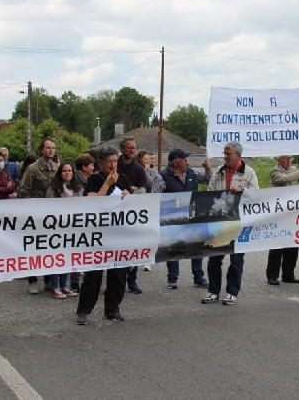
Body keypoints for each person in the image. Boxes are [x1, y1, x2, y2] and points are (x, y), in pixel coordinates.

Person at [76, 147, 133, 325]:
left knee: (118, 274)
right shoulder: (94, 179)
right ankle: (84, 310)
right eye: (109, 162)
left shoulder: (122, 178)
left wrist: (127, 194)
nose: (113, 165)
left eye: (115, 161)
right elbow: (93, 202)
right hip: (98, 235)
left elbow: (131, 201)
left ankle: (112, 308)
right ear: (101, 163)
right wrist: (107, 184)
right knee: (93, 276)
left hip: (118, 234)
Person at [201, 141, 259, 305]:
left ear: (238, 155)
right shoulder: (218, 172)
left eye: (228, 154)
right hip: (220, 221)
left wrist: (243, 191)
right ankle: (213, 291)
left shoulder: (249, 173)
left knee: (236, 259)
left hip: (239, 221)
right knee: (214, 258)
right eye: (224, 154)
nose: (225, 157)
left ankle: (232, 292)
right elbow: (210, 193)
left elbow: (257, 195)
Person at [152, 149, 212, 289]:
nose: (187, 161)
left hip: (193, 214)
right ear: (175, 162)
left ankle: (198, 276)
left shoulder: (192, 172)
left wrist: (208, 168)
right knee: (174, 247)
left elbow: (208, 179)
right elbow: (154, 197)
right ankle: (172, 278)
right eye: (184, 159)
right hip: (173, 218)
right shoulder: (162, 177)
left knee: (197, 245)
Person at [266, 154, 299, 285]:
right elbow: (286, 179)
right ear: (279, 160)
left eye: (290, 158)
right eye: (286, 158)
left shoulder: (294, 169)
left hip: (293, 211)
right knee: (277, 244)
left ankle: (288, 274)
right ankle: (272, 275)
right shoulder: (274, 171)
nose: (289, 161)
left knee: (293, 244)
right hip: (279, 211)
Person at [18, 139, 59, 293]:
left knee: (50, 246)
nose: (51, 150)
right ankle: (33, 280)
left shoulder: (57, 168)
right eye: (48, 148)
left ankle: (48, 279)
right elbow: (24, 190)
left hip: (52, 215)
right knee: (34, 247)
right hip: (35, 214)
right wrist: (29, 211)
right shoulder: (33, 169)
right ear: (41, 150)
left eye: (53, 148)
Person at [45, 162, 83, 299]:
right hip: (58, 228)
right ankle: (54, 286)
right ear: (60, 173)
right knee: (57, 257)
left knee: (68, 257)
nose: (67, 173)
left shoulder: (78, 189)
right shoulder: (53, 188)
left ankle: (64, 285)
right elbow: (49, 207)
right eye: (64, 171)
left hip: (73, 228)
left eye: (70, 171)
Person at [117, 136, 148, 294]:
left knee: (134, 247)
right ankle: (115, 282)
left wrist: (134, 191)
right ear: (122, 149)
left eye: (134, 148)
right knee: (116, 247)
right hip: (115, 211)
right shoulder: (114, 165)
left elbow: (144, 187)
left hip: (133, 212)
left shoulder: (138, 169)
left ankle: (132, 281)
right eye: (129, 148)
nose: (132, 151)